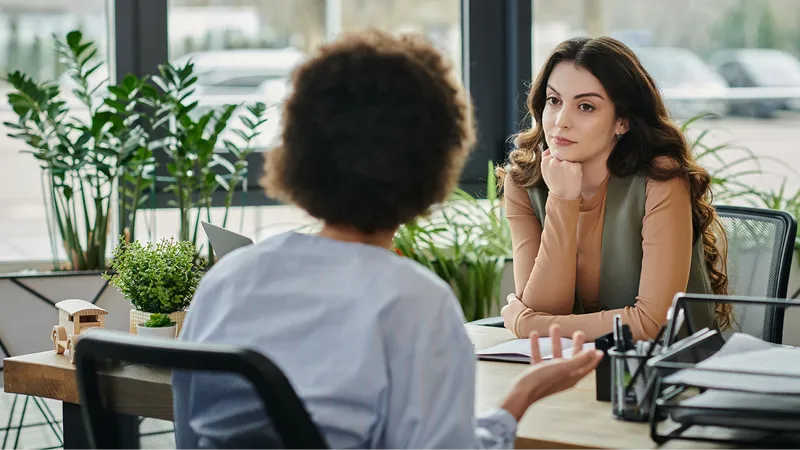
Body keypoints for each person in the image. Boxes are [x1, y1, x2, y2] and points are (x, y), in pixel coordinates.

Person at [171, 30, 603, 450]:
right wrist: (521, 396)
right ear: (436, 162)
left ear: (300, 146)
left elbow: (190, 435)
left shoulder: (227, 280)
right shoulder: (412, 301)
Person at [500, 36, 730, 343]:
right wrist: (563, 199)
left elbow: (652, 324)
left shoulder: (660, 179)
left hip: (672, 374)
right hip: (575, 369)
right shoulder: (524, 182)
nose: (561, 121)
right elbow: (543, 309)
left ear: (621, 121)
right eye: (554, 101)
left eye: (585, 106)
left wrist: (527, 325)